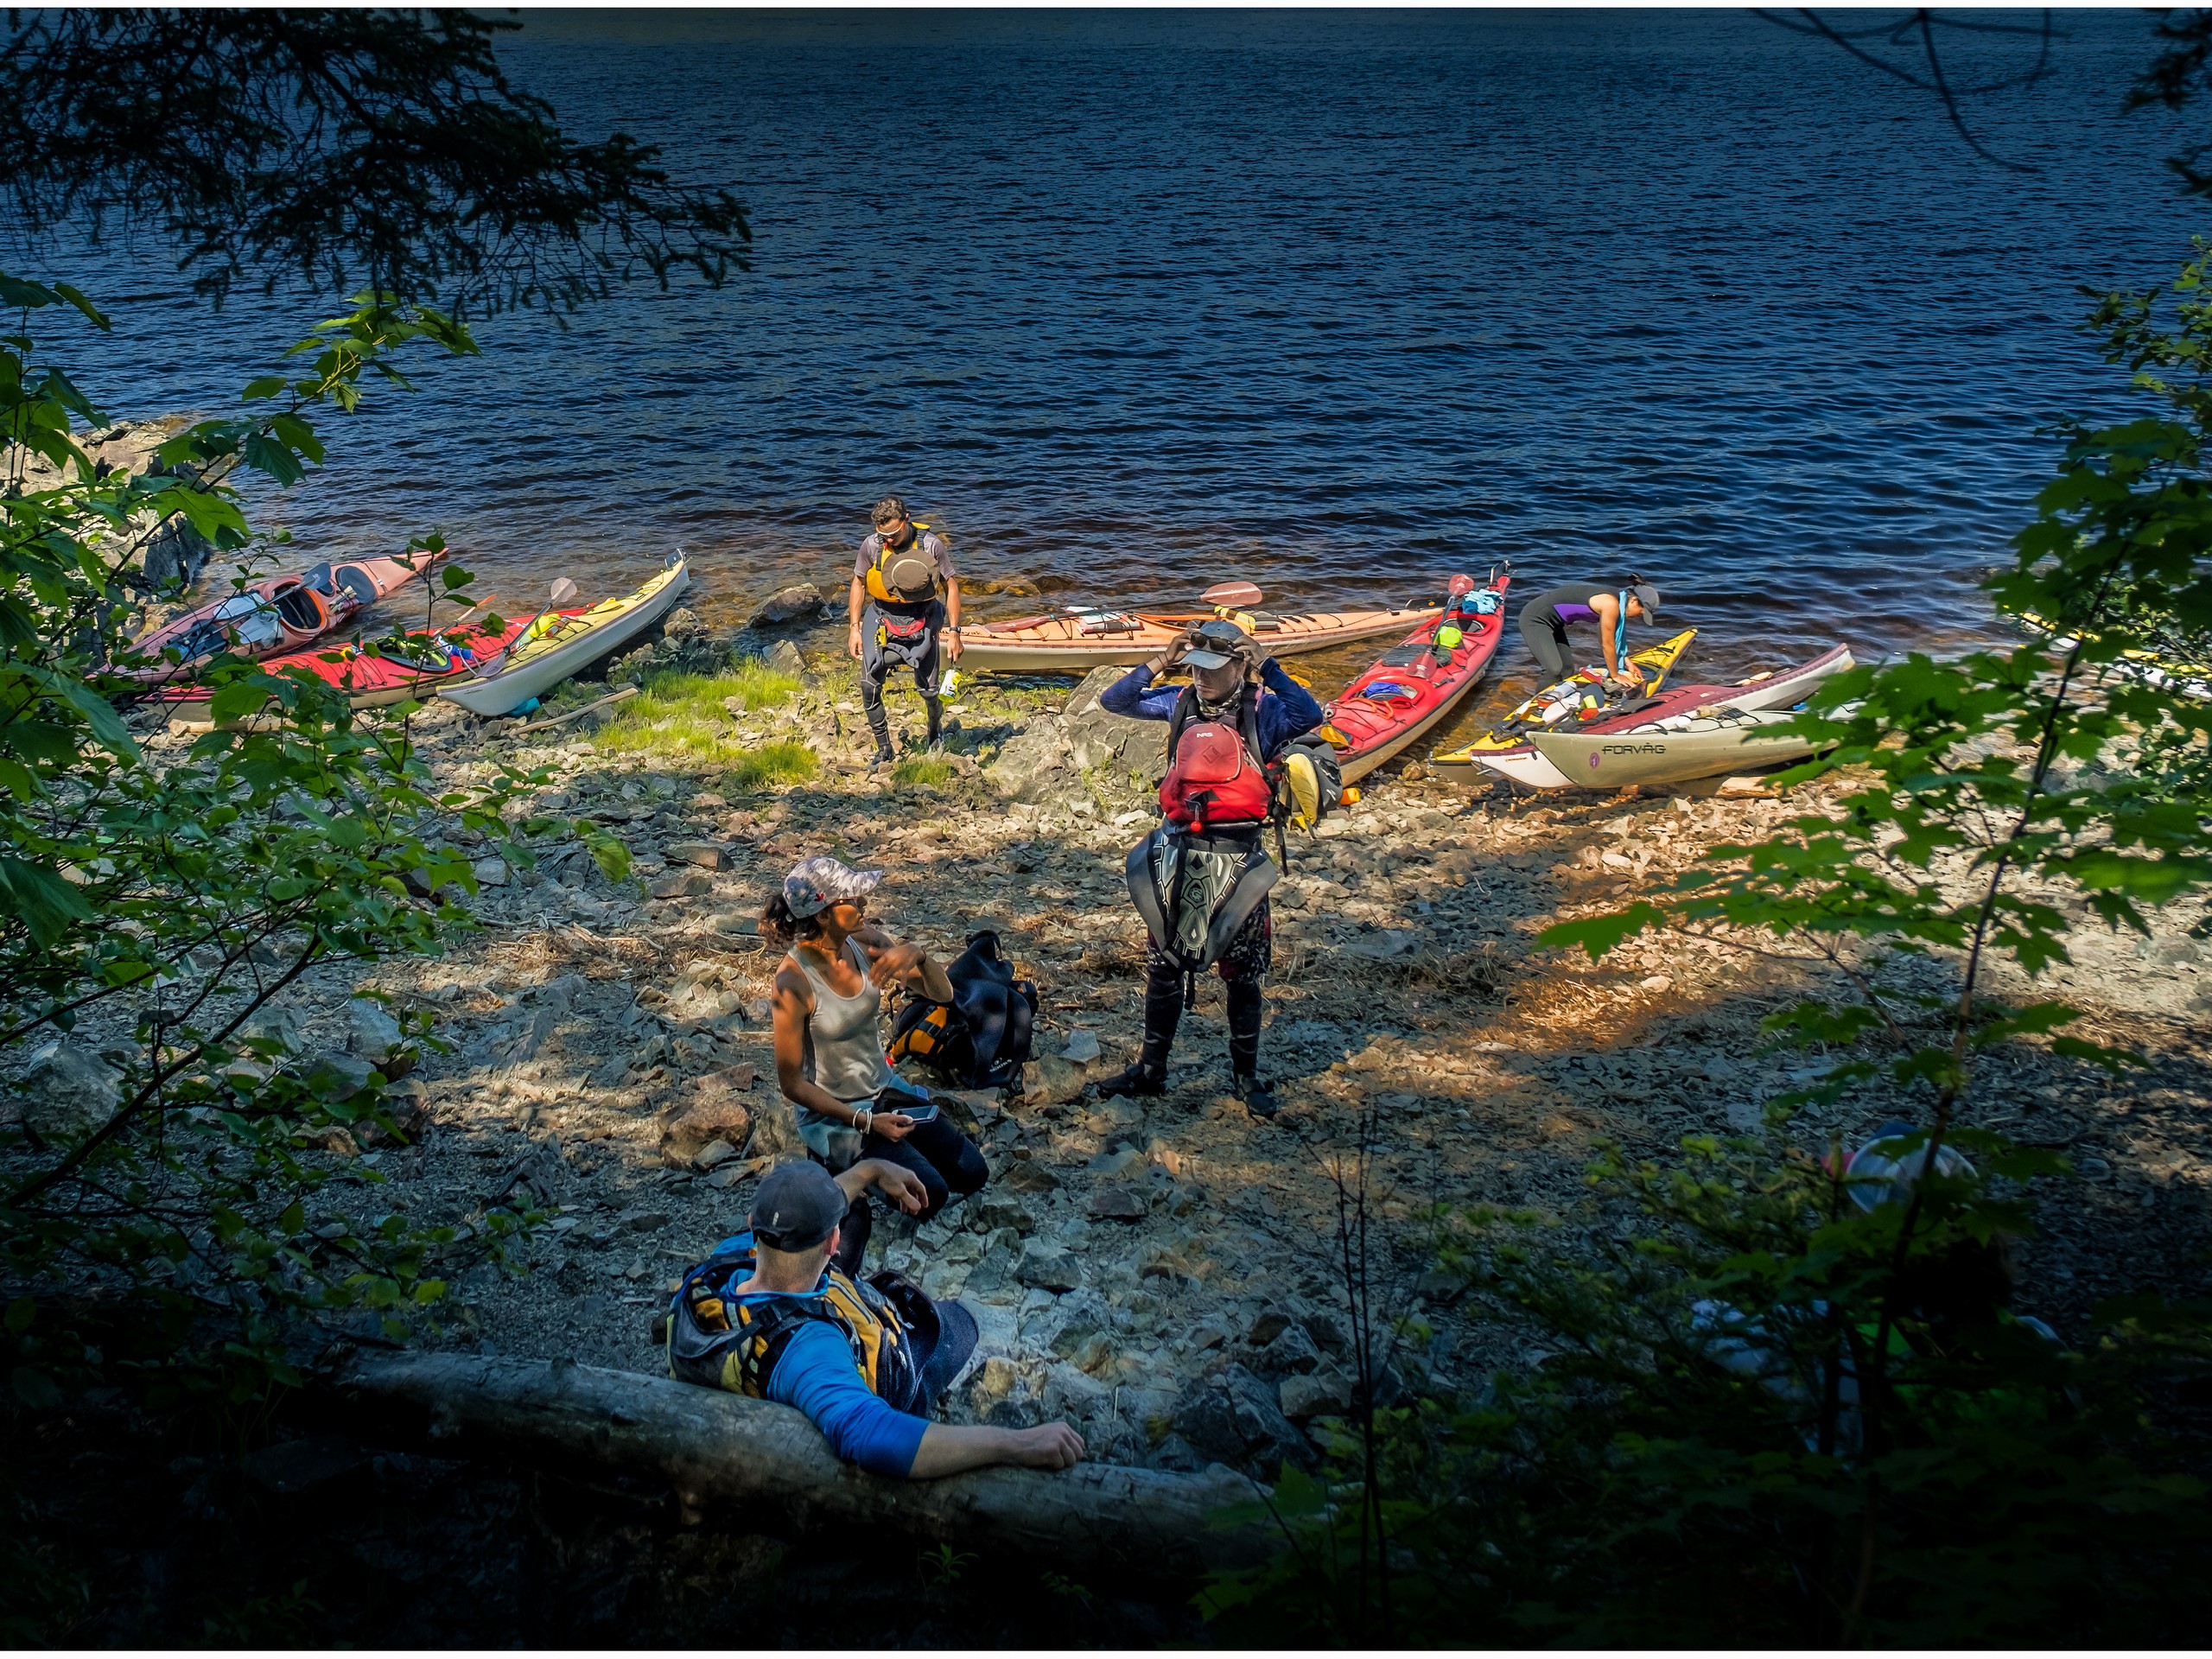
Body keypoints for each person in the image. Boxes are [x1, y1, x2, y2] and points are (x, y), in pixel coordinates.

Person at [669, 1159, 1085, 1478]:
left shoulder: (726, 1260)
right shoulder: (811, 1349)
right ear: (834, 1240)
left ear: (752, 1227)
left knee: (856, 1235)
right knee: (961, 1322)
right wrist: (1017, 1445)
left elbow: (822, 1207)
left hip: (765, 1315)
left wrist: (870, 1170)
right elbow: (871, 1435)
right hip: (893, 1376)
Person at [1091, 619, 1325, 1116]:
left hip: (1240, 858)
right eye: (1196, 668)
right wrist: (1161, 661)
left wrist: (1270, 665)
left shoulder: (1265, 711)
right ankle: (1152, 1070)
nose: (1202, 677)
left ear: (1240, 666)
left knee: (1243, 975)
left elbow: (1310, 715)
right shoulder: (1180, 702)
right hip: (1178, 852)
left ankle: (1245, 1079)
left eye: (1214, 669)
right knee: (1165, 964)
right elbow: (1116, 701)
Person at [762, 855, 988, 1268]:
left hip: (884, 1092)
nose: (864, 904)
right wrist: (865, 1123)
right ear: (825, 913)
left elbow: (944, 996)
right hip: (839, 1116)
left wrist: (917, 954)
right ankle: (842, 1167)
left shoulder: (864, 941)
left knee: (973, 1173)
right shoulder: (792, 982)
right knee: (930, 1194)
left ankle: (865, 1166)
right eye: (853, 899)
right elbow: (792, 1084)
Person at [849, 496, 961, 768]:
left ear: (906, 519)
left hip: (922, 617)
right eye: (882, 534)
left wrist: (955, 632)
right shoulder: (871, 546)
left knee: (930, 691)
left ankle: (935, 732)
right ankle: (884, 748)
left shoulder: (932, 546)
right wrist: (854, 628)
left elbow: (952, 588)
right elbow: (858, 583)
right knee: (868, 685)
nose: (887, 540)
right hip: (882, 617)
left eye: (893, 533)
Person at [1517, 575, 1662, 690]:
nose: (1638, 617)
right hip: (1535, 618)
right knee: (1553, 669)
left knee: (1567, 669)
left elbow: (1604, 636)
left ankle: (1555, 700)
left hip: (1554, 623)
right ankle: (1537, 707)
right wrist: (1616, 675)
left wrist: (1626, 661)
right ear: (1633, 601)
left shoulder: (1618, 601)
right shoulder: (1610, 604)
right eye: (1641, 613)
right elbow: (1607, 644)